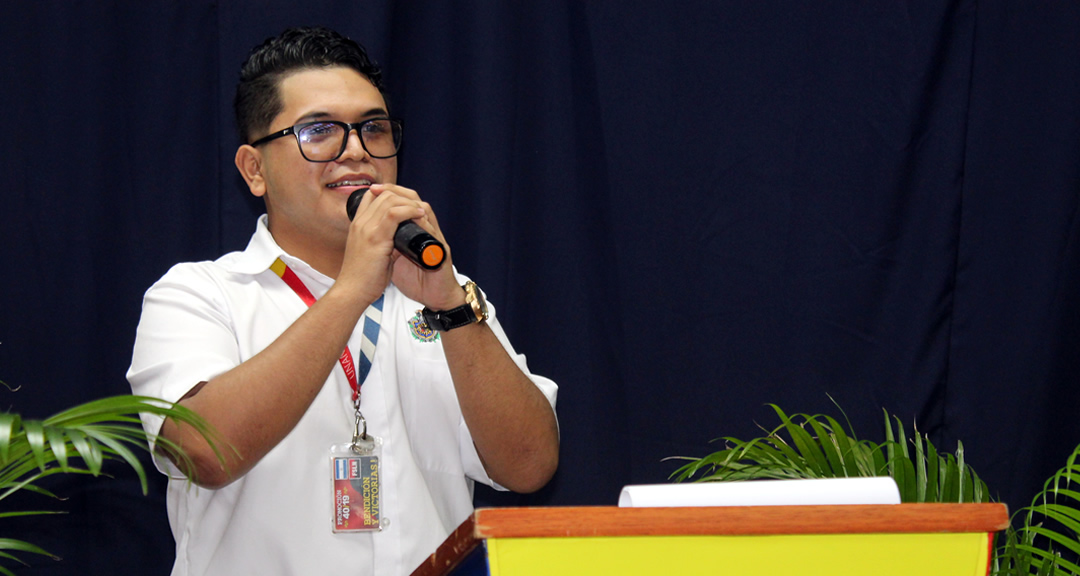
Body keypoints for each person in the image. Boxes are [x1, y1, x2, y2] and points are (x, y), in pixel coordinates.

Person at [127, 26, 559, 576]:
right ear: (254, 170)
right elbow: (204, 453)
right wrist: (353, 288)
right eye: (319, 131)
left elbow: (530, 466)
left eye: (373, 128)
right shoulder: (198, 294)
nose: (356, 151)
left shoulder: (450, 296)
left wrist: (450, 306)